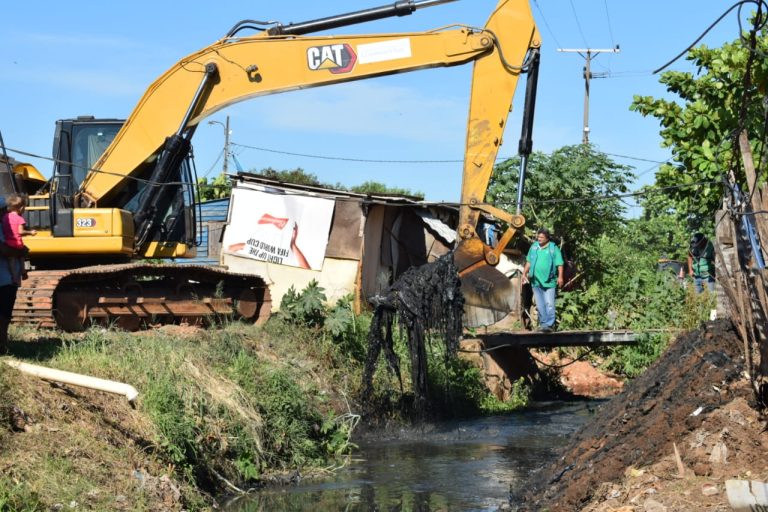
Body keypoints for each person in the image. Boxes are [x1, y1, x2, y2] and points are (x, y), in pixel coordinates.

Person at [0, 196, 28, 355]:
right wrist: (22, 251)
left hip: (8, 280)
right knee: (3, 317)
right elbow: (4, 250)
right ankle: (2, 348)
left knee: (5, 317)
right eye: (3, 210)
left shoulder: (4, 225)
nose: (5, 213)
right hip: (4, 280)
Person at [522, 228, 564, 332]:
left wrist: (560, 277)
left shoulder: (553, 248)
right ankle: (544, 325)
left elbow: (560, 264)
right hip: (535, 281)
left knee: (549, 304)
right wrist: (524, 273)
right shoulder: (534, 247)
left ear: (547, 238)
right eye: (538, 237)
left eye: (541, 237)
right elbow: (529, 261)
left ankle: (549, 325)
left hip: (549, 282)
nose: (539, 239)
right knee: (540, 305)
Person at [2, 193, 36, 285]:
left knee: (11, 260)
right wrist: (30, 232)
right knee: (22, 255)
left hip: (8, 243)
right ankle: (23, 272)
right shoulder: (20, 218)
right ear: (21, 208)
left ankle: (13, 277)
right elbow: (20, 232)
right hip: (17, 243)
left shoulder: (5, 217)